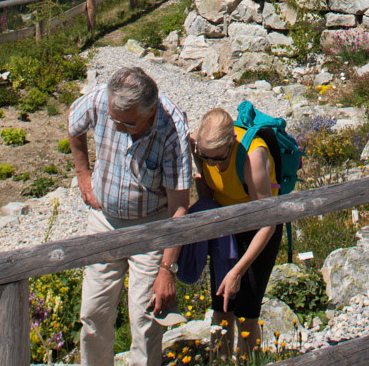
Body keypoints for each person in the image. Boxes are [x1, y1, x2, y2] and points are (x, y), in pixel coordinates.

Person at [70, 66, 193, 366]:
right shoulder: (102, 99)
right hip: (104, 222)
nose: (118, 127)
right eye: (114, 119)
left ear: (150, 112)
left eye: (127, 123)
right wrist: (83, 174)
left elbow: (179, 207)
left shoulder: (172, 127)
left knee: (145, 320)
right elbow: (74, 124)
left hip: (151, 227)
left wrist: (167, 270)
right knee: (93, 314)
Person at [190, 109, 281, 358]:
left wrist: (237, 271)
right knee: (221, 308)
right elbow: (204, 180)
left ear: (232, 143)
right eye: (206, 158)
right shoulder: (200, 147)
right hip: (226, 229)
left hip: (258, 232)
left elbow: (268, 223)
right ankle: (220, 361)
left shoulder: (253, 156)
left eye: (219, 159)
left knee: (246, 313)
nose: (213, 165)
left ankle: (249, 362)